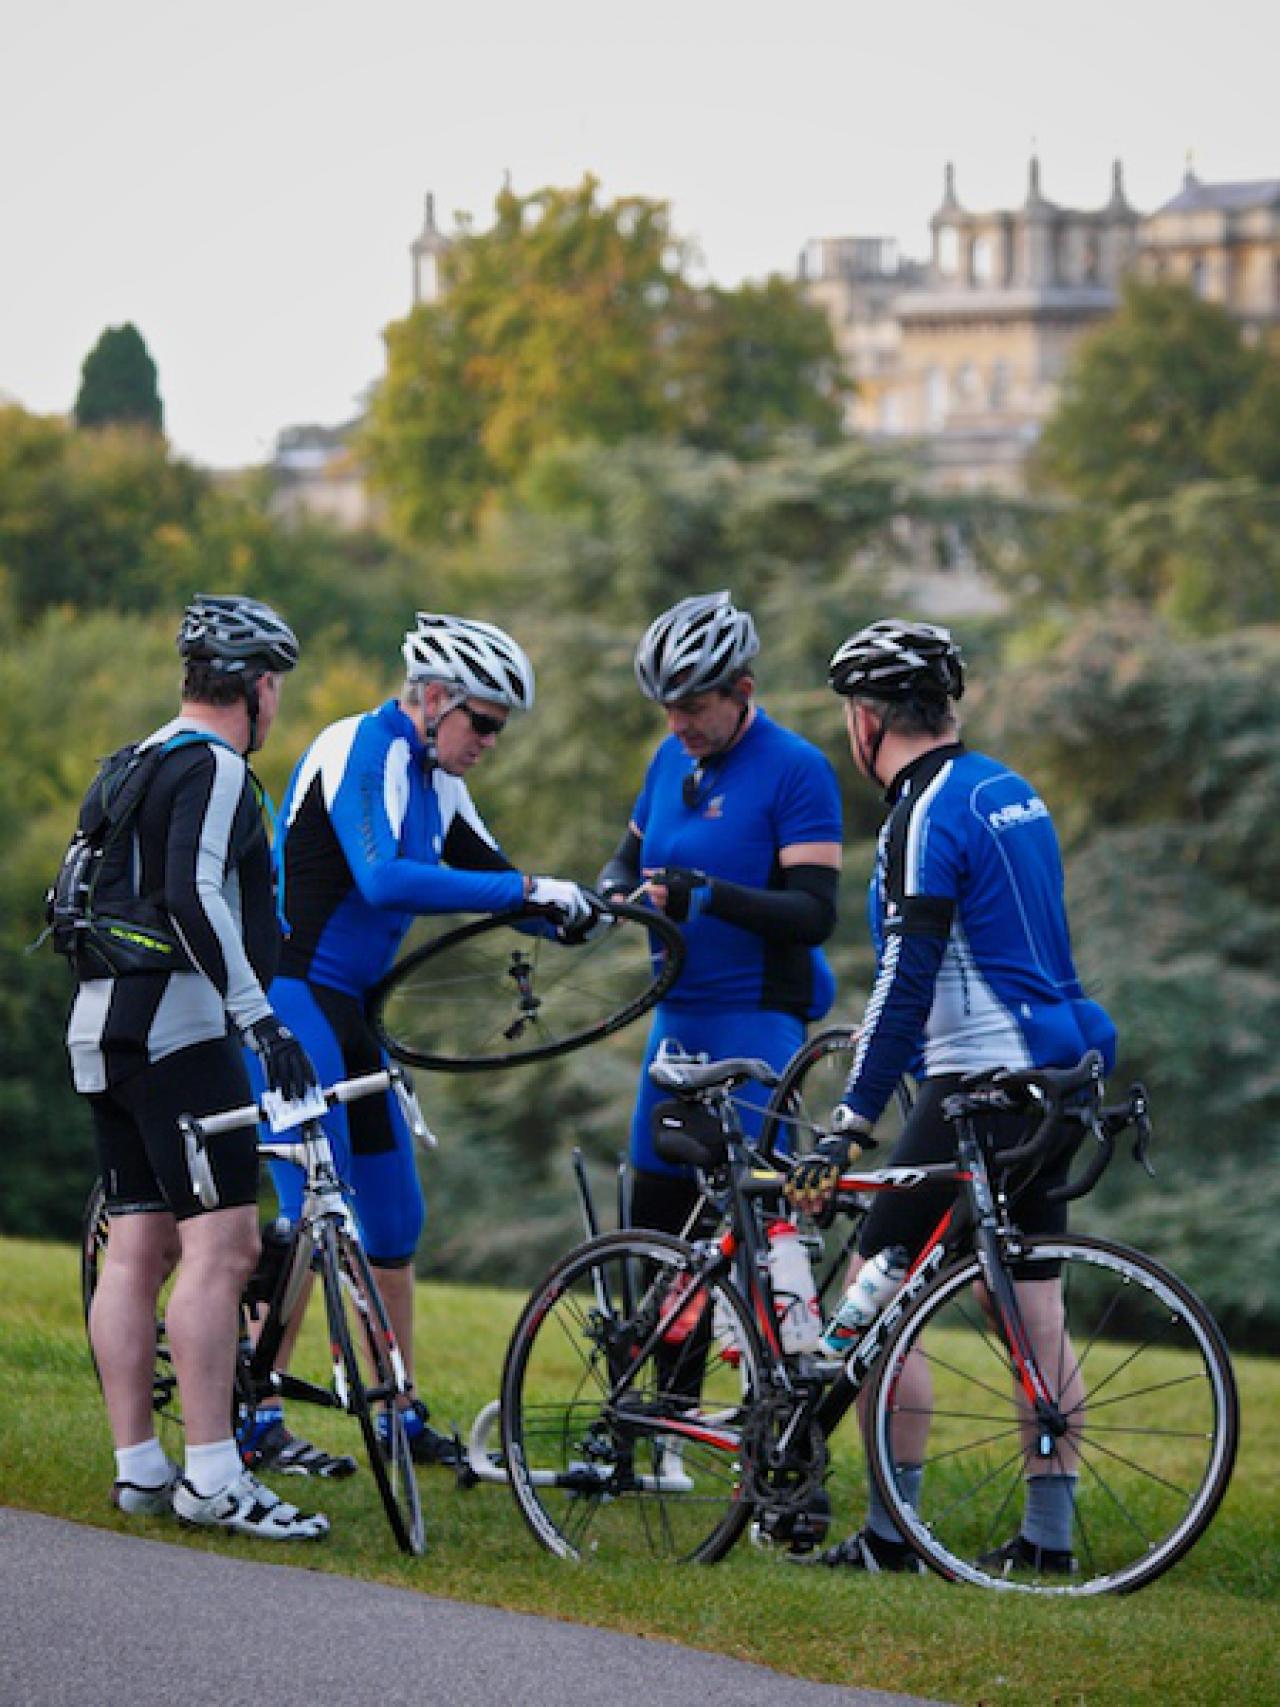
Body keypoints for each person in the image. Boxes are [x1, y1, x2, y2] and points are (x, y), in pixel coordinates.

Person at [786, 618, 1117, 1574]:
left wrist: (852, 1114)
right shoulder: (1012, 790)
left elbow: (907, 978)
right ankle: (1047, 1541)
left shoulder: (919, 813)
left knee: (875, 1295)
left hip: (979, 1081)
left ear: (866, 718)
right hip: (1061, 1072)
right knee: (1036, 1312)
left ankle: (895, 1536)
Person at [240, 612, 602, 1474]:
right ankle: (251, 1413)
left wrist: (589, 906)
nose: (488, 742)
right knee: (310, 1214)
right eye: (482, 722)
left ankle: (399, 1409)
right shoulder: (361, 748)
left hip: (359, 1011)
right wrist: (528, 886)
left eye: (497, 729)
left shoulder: (439, 780)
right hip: (295, 999)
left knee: (396, 1216)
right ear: (433, 698)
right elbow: (383, 876)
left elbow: (506, 891)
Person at [70, 594, 330, 1541]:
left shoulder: (133, 760)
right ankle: (215, 1476)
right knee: (221, 1250)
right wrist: (259, 1021)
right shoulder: (216, 767)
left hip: (102, 1029)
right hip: (182, 1032)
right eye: (277, 687)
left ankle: (140, 1466)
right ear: (257, 687)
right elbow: (190, 891)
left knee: (137, 1249)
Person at [597, 590, 843, 1240]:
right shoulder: (668, 759)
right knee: (653, 1243)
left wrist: (706, 894)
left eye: (694, 707)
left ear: (742, 689)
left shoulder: (796, 768)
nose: (678, 724)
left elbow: (815, 914)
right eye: (668, 708)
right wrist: (614, 895)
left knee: (745, 1246)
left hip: (756, 1026)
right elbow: (622, 863)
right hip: (675, 1023)